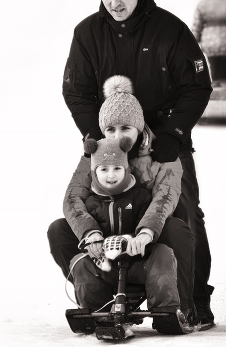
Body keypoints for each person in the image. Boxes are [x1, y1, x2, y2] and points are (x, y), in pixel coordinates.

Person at [58, 0, 215, 329]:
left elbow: (196, 86)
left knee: (183, 215)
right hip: (111, 145)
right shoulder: (87, 34)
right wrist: (99, 138)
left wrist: (173, 133)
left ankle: (192, 301)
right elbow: (76, 91)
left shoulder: (170, 29)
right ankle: (108, 292)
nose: (114, 2)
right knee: (93, 214)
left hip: (165, 143)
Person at [51, 75, 197, 329]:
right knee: (58, 230)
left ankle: (180, 307)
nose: (117, 136)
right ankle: (96, 298)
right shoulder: (96, 154)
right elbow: (73, 197)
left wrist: (146, 233)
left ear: (138, 128)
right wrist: (90, 233)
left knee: (176, 227)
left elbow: (165, 197)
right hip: (105, 236)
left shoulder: (163, 153)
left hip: (144, 238)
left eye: (125, 128)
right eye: (110, 130)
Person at [70, 133, 194, 336]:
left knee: (163, 254)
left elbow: (150, 221)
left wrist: (138, 239)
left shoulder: (140, 196)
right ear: (94, 172)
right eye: (104, 169)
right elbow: (81, 221)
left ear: (126, 169)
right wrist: (92, 241)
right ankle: (97, 310)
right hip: (108, 267)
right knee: (80, 263)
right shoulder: (91, 203)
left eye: (117, 168)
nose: (111, 176)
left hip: (138, 264)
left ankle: (166, 309)